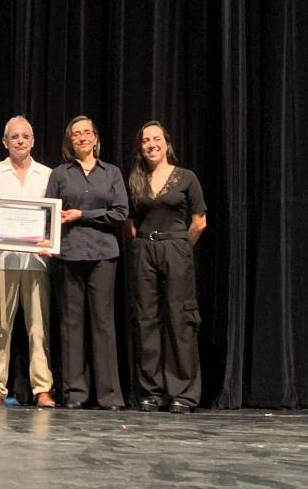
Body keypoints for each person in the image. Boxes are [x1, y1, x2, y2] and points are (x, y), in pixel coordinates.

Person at [44, 115, 128, 410]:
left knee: (103, 323)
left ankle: (109, 395)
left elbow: (120, 213)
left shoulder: (112, 173)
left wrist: (83, 215)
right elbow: (48, 215)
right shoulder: (59, 174)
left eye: (86, 133)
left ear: (95, 137)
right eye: (75, 134)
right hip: (68, 254)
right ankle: (75, 393)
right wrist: (46, 242)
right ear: (70, 141)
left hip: (104, 255)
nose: (81, 138)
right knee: (71, 324)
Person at [126, 120, 207, 414]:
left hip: (176, 247)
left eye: (156, 138)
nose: (151, 144)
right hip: (144, 249)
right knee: (147, 319)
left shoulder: (186, 177)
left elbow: (199, 222)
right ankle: (152, 391)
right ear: (140, 147)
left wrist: (180, 247)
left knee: (179, 320)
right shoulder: (136, 180)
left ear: (166, 142)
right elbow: (131, 222)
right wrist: (144, 246)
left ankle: (182, 393)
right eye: (145, 140)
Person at [0, 116, 55, 408]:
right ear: (5, 142)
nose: (20, 141)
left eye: (25, 136)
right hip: (0, 261)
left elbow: (51, 220)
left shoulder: (47, 175)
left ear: (33, 141)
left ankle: (42, 388)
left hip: (38, 263)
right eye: (14, 137)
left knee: (39, 326)